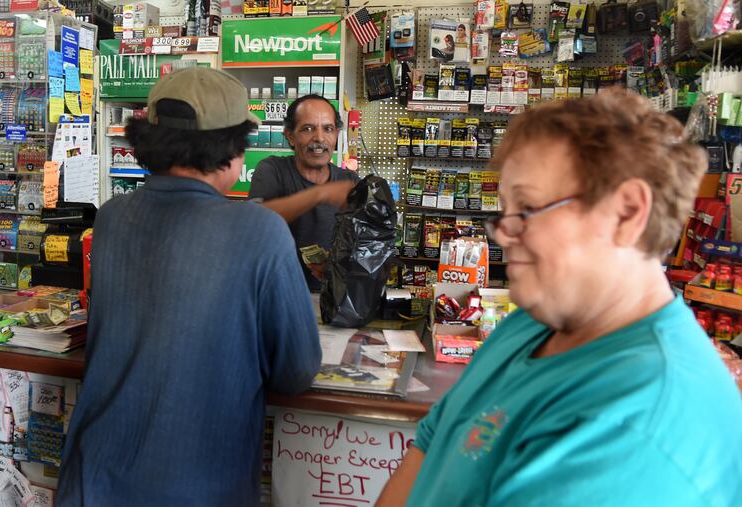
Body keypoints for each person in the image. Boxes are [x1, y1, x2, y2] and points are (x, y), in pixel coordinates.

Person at [377, 88, 742, 506]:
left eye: (527, 209)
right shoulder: (529, 326)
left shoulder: (641, 424)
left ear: (626, 213)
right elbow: (430, 449)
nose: (503, 234)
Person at [57, 68, 321, 506]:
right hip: (198, 486)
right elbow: (295, 370)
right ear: (232, 147)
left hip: (92, 477)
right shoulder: (259, 230)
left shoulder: (113, 217)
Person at [249, 94, 359, 291]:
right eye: (308, 129)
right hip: (276, 293)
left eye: (328, 129)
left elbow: (366, 244)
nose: (319, 138)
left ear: (337, 134)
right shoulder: (272, 169)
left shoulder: (349, 181)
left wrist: (339, 268)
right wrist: (320, 194)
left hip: (331, 297)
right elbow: (255, 221)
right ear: (290, 136)